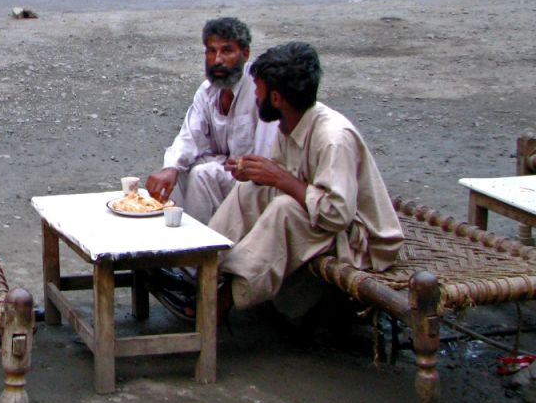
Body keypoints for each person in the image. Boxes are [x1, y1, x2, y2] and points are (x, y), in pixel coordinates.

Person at [208, 41, 404, 322]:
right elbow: (287, 179)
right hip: (321, 221)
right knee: (249, 191)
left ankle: (227, 295)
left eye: (258, 90)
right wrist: (257, 174)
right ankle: (205, 265)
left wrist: (278, 177)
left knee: (284, 211)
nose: (254, 97)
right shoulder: (289, 122)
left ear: (276, 99)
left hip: (361, 241)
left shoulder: (333, 138)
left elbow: (337, 214)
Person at [145, 16, 278, 225]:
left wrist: (238, 165)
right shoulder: (207, 92)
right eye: (211, 51)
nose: (217, 60)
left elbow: (268, 155)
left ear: (245, 54)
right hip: (226, 169)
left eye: (226, 51)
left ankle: (199, 249)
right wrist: (170, 168)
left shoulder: (257, 91)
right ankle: (168, 243)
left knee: (202, 174)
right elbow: (190, 136)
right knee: (175, 174)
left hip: (255, 181)